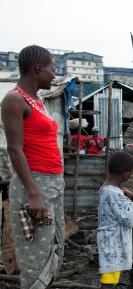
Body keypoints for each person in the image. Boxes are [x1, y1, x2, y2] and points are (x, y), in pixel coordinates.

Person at [2, 45, 65, 289]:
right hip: (35, 185)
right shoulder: (13, 100)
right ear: (37, 68)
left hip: (52, 183)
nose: (54, 74)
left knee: (54, 247)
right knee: (36, 256)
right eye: (52, 69)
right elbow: (14, 149)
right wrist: (33, 193)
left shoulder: (37, 99)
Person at [97, 152, 133, 288]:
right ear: (125, 173)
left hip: (112, 241)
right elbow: (130, 219)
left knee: (112, 277)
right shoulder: (113, 193)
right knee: (109, 280)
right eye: (131, 172)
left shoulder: (107, 188)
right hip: (113, 242)